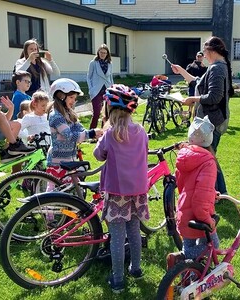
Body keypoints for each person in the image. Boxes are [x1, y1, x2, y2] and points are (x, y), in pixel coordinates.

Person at [93, 84, 149, 294]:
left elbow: (99, 155)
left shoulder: (111, 134)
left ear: (110, 110)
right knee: (134, 231)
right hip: (138, 191)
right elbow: (145, 150)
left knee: (117, 235)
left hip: (117, 192)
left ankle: (118, 280)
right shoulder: (141, 131)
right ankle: (136, 269)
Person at [171, 36, 234, 195]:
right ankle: (221, 192)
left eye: (205, 52)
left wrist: (193, 99)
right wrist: (181, 71)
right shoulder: (218, 66)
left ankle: (218, 193)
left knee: (208, 159)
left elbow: (214, 97)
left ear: (212, 51)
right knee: (209, 158)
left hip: (211, 122)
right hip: (211, 121)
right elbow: (197, 82)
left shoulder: (217, 68)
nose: (204, 56)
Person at [166, 116, 219, 269]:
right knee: (212, 245)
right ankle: (181, 259)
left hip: (183, 212)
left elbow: (186, 187)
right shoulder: (208, 162)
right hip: (199, 216)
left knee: (188, 246)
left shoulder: (183, 157)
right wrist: (207, 219)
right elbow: (200, 199)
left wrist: (212, 192)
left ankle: (186, 279)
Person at [46, 78, 103, 184]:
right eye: (71, 97)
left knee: (72, 190)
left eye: (75, 98)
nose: (73, 101)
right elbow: (69, 135)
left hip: (69, 159)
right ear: (61, 96)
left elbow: (79, 127)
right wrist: (90, 134)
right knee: (54, 191)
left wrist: (93, 133)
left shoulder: (68, 113)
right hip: (57, 162)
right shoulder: (56, 116)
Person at [0, 79, 35, 163]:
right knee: (0, 115)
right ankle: (14, 145)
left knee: (17, 125)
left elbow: (4, 122)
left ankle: (6, 153)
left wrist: (11, 109)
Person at [87, 44, 114, 129]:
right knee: (97, 113)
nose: (102, 54)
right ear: (98, 52)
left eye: (104, 53)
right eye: (101, 52)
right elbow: (89, 77)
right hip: (96, 90)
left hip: (107, 90)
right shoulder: (93, 63)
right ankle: (92, 133)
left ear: (107, 54)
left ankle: (104, 132)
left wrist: (113, 89)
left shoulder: (109, 64)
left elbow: (110, 77)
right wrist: (91, 89)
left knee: (107, 113)